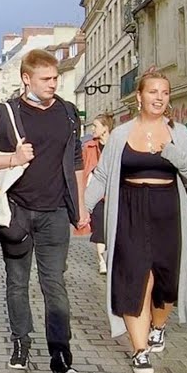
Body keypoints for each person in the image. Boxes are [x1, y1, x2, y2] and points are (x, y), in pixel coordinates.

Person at [0, 49, 88, 373]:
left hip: (55, 212)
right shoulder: (3, 113)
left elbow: (76, 160)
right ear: (27, 78)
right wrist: (12, 158)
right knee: (17, 282)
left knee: (55, 284)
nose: (53, 84)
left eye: (55, 78)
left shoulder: (67, 112)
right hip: (15, 212)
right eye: (46, 79)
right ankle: (21, 342)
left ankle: (61, 358)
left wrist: (78, 207)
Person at [83, 73, 187, 373]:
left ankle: (158, 326)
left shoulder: (180, 132)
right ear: (139, 97)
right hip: (129, 208)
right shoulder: (122, 134)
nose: (159, 97)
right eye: (153, 92)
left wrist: (170, 150)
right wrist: (82, 210)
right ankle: (139, 350)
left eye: (164, 92)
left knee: (167, 280)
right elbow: (100, 176)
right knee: (133, 277)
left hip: (167, 210)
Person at [80, 114, 114, 274]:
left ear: (105, 128)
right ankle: (102, 261)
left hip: (114, 194)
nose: (92, 129)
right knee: (99, 228)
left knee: (113, 228)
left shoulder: (117, 145)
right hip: (97, 194)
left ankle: (112, 257)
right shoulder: (88, 147)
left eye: (95, 126)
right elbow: (82, 169)